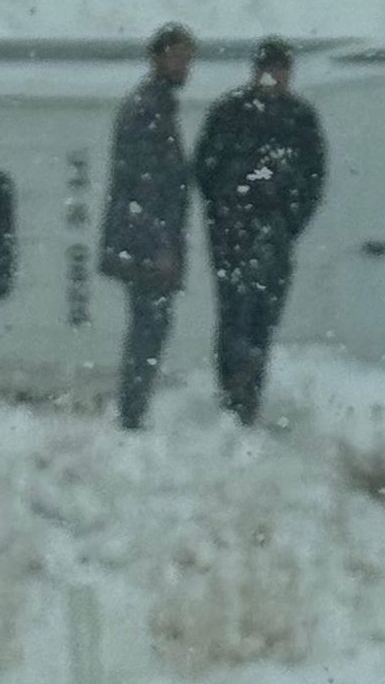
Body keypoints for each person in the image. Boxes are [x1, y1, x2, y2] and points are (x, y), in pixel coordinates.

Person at [192, 37, 327, 426]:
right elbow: (207, 171)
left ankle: (249, 396)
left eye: (282, 70)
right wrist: (231, 208)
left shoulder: (299, 119)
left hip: (272, 234)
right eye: (270, 69)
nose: (275, 77)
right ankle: (232, 397)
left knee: (262, 321)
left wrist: (284, 220)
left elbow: (312, 179)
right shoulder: (230, 113)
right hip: (234, 235)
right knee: (235, 316)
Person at [97, 23, 196, 430]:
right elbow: (143, 183)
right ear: (157, 58)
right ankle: (133, 412)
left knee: (149, 325)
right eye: (177, 57)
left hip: (141, 239)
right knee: (148, 327)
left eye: (188, 59)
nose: (184, 67)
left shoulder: (153, 105)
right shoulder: (147, 109)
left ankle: (134, 409)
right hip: (145, 243)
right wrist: (160, 244)